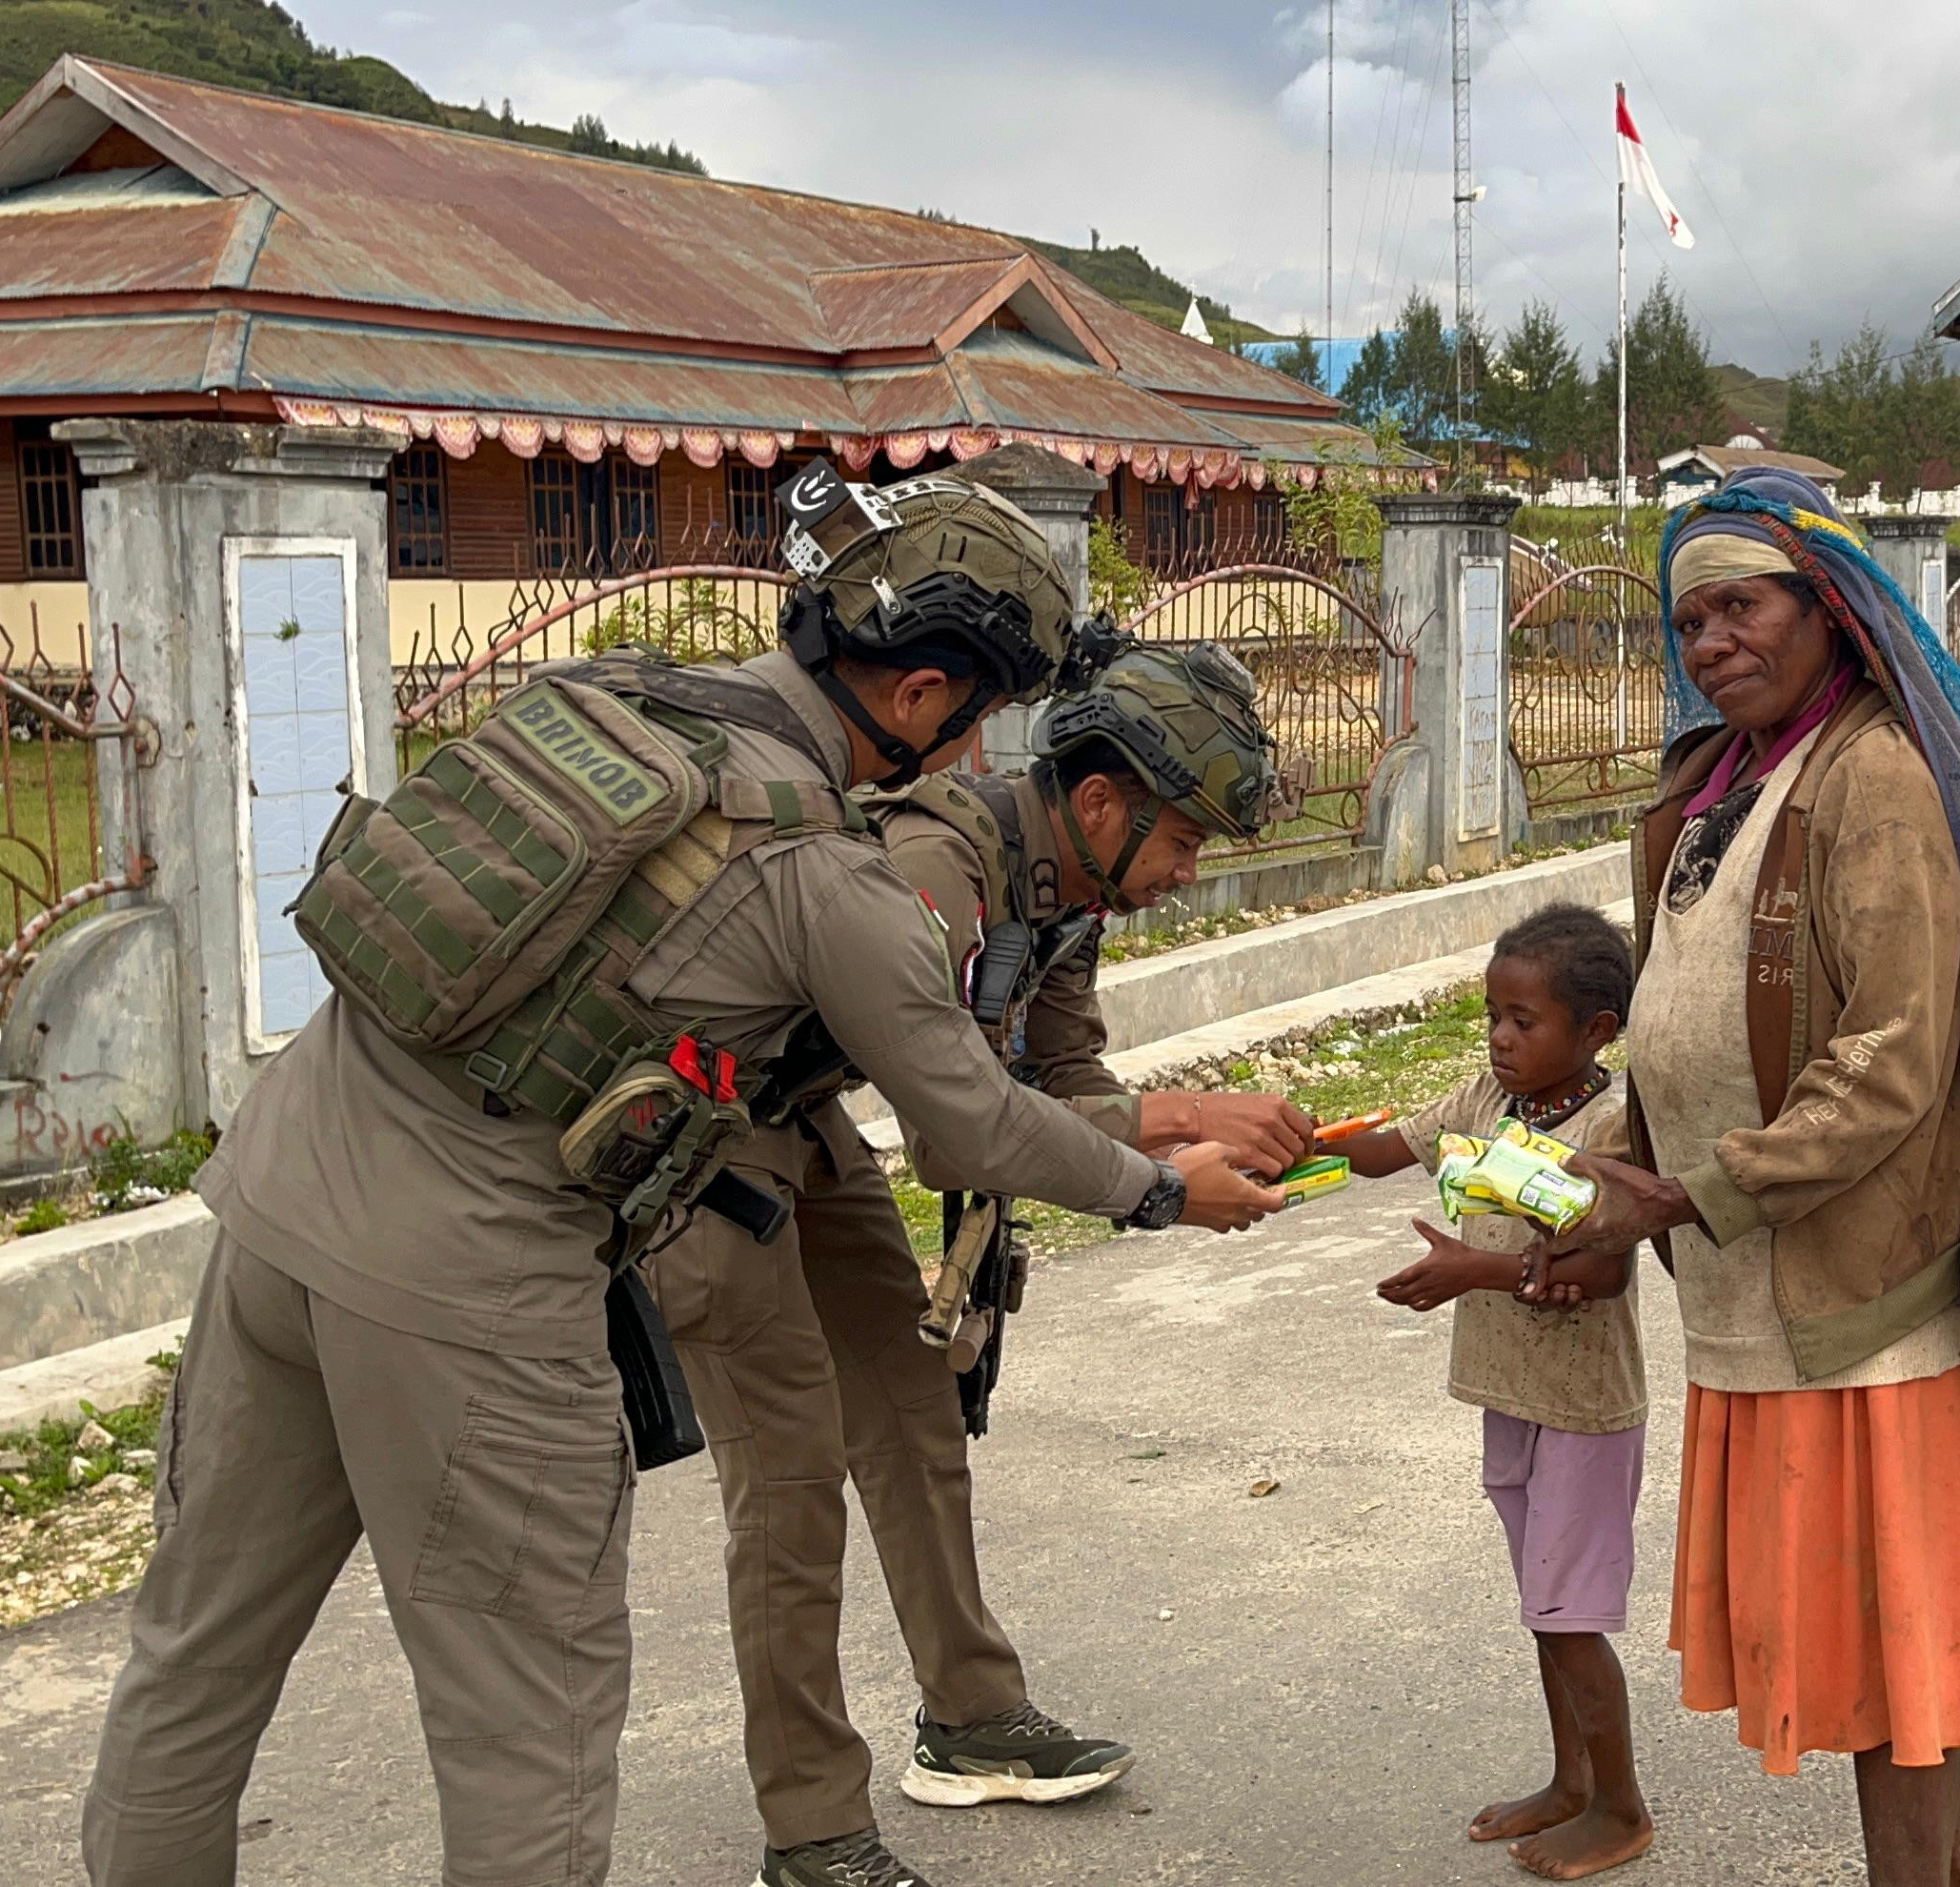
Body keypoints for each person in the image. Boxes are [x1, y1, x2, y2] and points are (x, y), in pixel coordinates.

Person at [78, 472, 1284, 1887]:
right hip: (471, 1284)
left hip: (279, 1193)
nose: (970, 754)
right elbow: (969, 1124)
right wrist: (1157, 1191)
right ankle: (830, 1822)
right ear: (919, 697)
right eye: (976, 715)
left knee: (195, 1656)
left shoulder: (623, 697)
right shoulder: (833, 875)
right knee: (529, 1727)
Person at [1523, 466, 1960, 1887]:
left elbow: (1890, 1063)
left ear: (1828, 611)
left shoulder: (1874, 780)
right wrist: (1602, 1195)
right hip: (1752, 1293)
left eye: (1744, 606)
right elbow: (1674, 1033)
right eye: (1693, 619)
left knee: (1896, 1668)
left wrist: (1692, 1194)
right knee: (1844, 1658)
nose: (1715, 642)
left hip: (1858, 1310)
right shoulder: (1713, 791)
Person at [645, 634, 1315, 1887]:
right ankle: (813, 1835)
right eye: (1185, 841)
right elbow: (954, 1108)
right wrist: (1174, 1154)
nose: (1184, 872)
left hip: (799, 1119)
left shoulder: (1065, 894)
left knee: (912, 1418)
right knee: (789, 1486)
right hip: (697, 1137)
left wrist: (1174, 1118)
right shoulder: (933, 865)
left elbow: (1064, 1080)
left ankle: (968, 1718)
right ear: (1104, 802)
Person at [1346, 903, 1651, 1882]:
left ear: (1596, 1030)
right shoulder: (1489, 1098)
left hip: (1583, 1408)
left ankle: (1621, 1807)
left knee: (1569, 1616)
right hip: (1508, 1393)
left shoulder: (1612, 1125)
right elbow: (1391, 1144)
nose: (1501, 1038)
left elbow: (1598, 1272)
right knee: (1542, 1608)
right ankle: (1569, 1782)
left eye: (1526, 1022)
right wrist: (1286, 1148)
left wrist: (1468, 1275)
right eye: (1493, 1015)